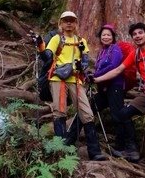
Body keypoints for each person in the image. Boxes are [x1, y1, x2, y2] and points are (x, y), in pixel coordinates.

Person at [36, 11, 107, 161]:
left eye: (72, 21)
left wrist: (83, 66)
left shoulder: (81, 41)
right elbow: (47, 57)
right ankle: (60, 151)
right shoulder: (56, 39)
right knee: (60, 112)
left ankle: (94, 152)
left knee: (87, 113)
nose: (69, 23)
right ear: (61, 23)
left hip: (76, 79)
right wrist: (40, 45)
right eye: (66, 20)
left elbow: (85, 60)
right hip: (58, 78)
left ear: (76, 23)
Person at [93, 22, 145, 162]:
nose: (137, 36)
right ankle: (132, 149)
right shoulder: (136, 53)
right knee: (123, 114)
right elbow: (118, 70)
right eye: (134, 34)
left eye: (140, 33)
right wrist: (97, 79)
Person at [89, 24, 136, 157]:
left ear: (113, 37)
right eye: (103, 34)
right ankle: (71, 137)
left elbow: (113, 66)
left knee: (117, 114)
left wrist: (96, 76)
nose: (106, 37)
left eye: (108, 35)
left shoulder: (115, 49)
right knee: (89, 107)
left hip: (115, 86)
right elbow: (99, 68)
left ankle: (123, 148)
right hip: (104, 88)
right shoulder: (101, 52)